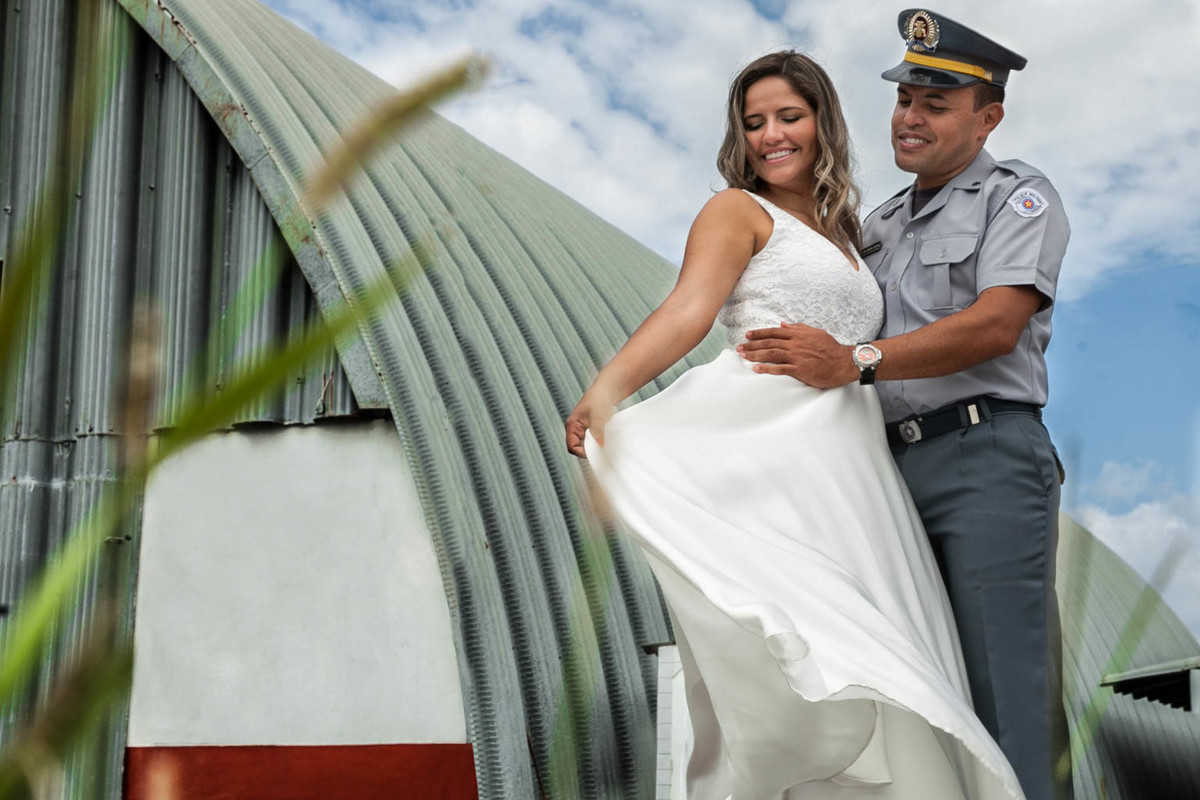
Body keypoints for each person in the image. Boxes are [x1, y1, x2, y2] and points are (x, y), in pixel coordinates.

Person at [566, 49, 1024, 799]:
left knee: (891, 643)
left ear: (822, 123)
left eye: (789, 116)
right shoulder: (736, 210)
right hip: (770, 448)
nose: (771, 135)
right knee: (802, 628)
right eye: (754, 123)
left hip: (850, 468)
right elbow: (688, 309)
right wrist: (606, 392)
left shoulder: (850, 231)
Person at [738, 12, 1071, 800]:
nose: (910, 118)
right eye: (904, 99)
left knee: (1006, 697)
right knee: (911, 701)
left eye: (936, 104)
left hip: (983, 461)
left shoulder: (1015, 197)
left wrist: (855, 362)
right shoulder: (877, 227)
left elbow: (995, 324)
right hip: (884, 472)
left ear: (988, 118)